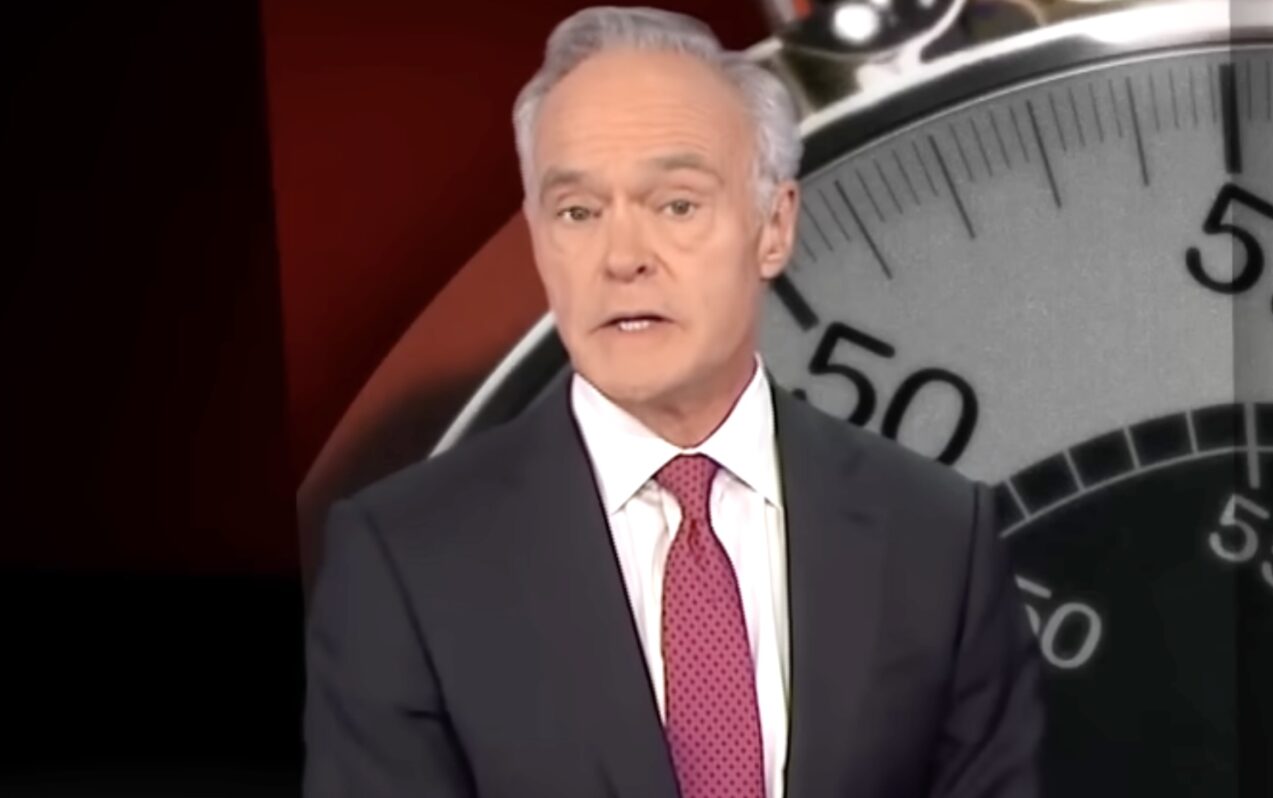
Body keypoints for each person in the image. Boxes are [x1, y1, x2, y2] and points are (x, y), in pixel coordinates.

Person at [302, 6, 1043, 797]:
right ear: (540, 240)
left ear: (774, 226)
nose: (622, 258)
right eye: (578, 212)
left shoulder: (939, 538)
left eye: (677, 205)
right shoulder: (402, 559)